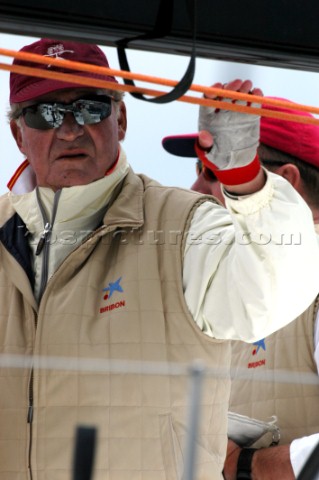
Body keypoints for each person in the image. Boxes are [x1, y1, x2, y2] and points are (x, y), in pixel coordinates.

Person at [1, 40, 318, 480]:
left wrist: (245, 181)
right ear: (18, 134)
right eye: (46, 114)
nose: (70, 128)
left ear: (122, 119)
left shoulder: (186, 226)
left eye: (90, 108)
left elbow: (272, 290)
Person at [162, 95, 319, 479]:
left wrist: (248, 465)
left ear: (285, 184)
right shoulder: (225, 291)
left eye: (214, 172)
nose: (194, 189)